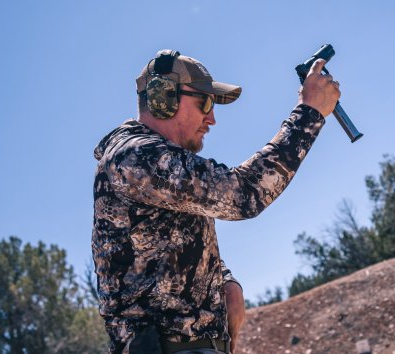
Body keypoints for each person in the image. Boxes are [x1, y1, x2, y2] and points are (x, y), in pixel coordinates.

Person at [92, 49, 340, 354]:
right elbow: (243, 194)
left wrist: (226, 282)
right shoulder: (135, 157)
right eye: (205, 103)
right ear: (162, 97)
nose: (211, 119)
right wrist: (309, 113)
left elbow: (169, 245)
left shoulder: (149, 163)